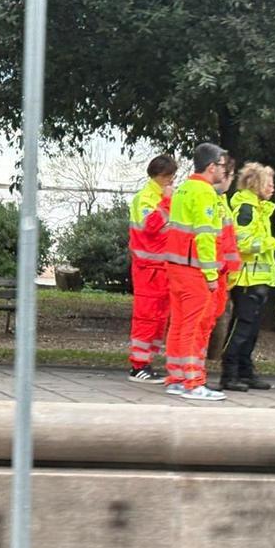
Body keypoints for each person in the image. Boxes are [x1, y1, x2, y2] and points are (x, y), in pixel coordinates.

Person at [163, 143, 228, 401]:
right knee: (193, 327)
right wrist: (212, 276)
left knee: (178, 325)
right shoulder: (204, 193)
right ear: (212, 167)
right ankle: (193, 382)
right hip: (194, 271)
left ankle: (177, 378)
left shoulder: (183, 189)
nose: (224, 171)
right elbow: (204, 237)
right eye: (222, 166)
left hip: (176, 267)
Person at [220, 162, 275, 392]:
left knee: (250, 331)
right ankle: (228, 374)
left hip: (257, 280)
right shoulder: (246, 209)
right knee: (242, 328)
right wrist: (274, 243)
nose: (273, 188)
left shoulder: (258, 208)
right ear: (256, 184)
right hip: (246, 280)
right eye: (269, 184)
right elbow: (242, 242)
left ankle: (245, 371)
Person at [127, 155, 179, 383]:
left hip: (162, 266)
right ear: (160, 175)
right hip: (148, 268)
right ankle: (138, 365)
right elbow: (151, 226)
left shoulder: (161, 196)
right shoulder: (146, 198)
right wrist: (167, 202)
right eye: (169, 177)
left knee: (159, 318)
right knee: (146, 317)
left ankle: (146, 362)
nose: (171, 181)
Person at [198, 154, 239, 357]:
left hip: (221, 272)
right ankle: (191, 374)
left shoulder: (222, 201)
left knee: (210, 320)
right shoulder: (210, 198)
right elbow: (208, 239)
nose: (229, 180)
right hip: (212, 271)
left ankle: (195, 372)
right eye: (228, 175)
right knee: (202, 322)